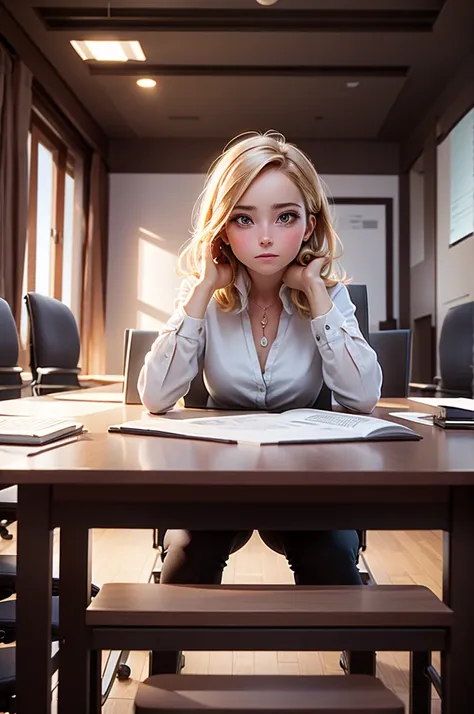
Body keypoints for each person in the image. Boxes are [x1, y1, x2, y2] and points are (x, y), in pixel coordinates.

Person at [138, 131, 382, 672]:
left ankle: (358, 674)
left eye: (285, 217)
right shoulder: (204, 291)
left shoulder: (332, 294)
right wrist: (202, 290)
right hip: (218, 476)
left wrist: (317, 296)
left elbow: (363, 396)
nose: (266, 237)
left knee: (334, 555)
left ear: (310, 225)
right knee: (188, 554)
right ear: (223, 228)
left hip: (307, 476)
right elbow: (155, 396)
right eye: (244, 219)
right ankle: (164, 674)